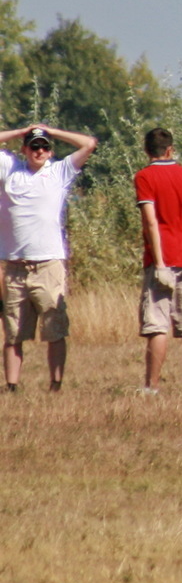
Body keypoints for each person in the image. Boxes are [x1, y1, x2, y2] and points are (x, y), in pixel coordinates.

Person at [0, 123, 98, 392]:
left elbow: (88, 143)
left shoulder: (59, 172)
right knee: (13, 332)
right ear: (24, 150)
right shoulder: (10, 170)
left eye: (44, 147)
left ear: (50, 151)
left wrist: (51, 131)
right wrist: (22, 131)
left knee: (54, 329)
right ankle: (11, 386)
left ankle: (56, 384)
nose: (39, 151)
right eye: (34, 146)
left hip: (49, 264)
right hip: (15, 266)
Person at [134, 127, 182, 394]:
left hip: (162, 260)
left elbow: (151, 222)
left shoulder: (144, 177)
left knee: (157, 324)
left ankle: (151, 387)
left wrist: (159, 262)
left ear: (147, 151)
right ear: (170, 150)